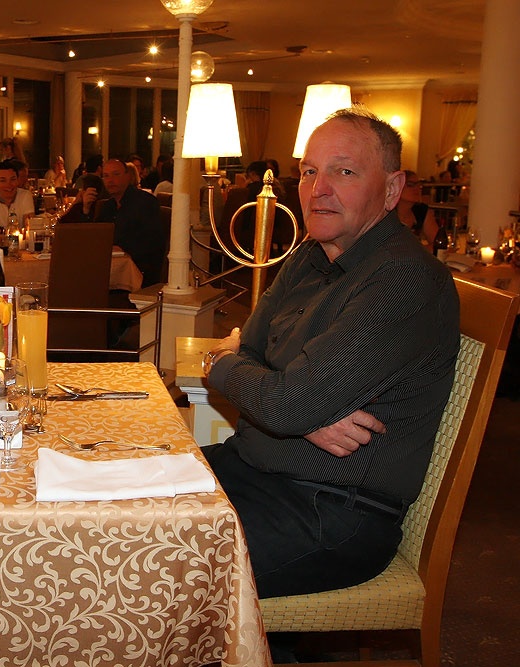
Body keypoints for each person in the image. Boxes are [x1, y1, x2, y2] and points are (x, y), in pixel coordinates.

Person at [201, 108, 460, 604]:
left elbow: (280, 399)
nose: (318, 189)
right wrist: (299, 408)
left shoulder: (404, 279)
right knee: (117, 510)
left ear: (391, 189)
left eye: (344, 171)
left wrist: (222, 365)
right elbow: (258, 356)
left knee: (146, 560)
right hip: (248, 471)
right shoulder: (310, 254)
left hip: (327, 511)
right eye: (309, 171)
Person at [62, 158, 165, 287]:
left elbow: (153, 242)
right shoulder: (108, 206)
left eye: (116, 174)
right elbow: (94, 236)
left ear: (127, 176)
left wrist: (122, 248)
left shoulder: (145, 202)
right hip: (110, 267)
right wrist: (86, 209)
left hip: (139, 272)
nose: (110, 180)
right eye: (106, 176)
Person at [396, 170, 439, 246]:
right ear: (397, 187)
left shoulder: (421, 210)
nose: (417, 189)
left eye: (419, 185)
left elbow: (438, 243)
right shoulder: (387, 212)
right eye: (410, 185)